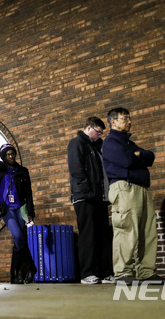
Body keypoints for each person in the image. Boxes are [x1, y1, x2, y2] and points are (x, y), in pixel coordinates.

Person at [102, 108, 162, 284]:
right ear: (113, 122)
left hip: (141, 188)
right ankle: (122, 273)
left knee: (147, 231)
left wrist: (140, 154)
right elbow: (127, 161)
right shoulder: (110, 142)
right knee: (127, 230)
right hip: (125, 188)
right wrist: (138, 157)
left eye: (129, 118)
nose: (129, 121)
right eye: (125, 118)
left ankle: (146, 271)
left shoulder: (130, 144)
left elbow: (150, 157)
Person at [67, 117, 114, 285]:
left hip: (99, 198)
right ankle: (87, 273)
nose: (99, 136)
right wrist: (87, 190)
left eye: (102, 133)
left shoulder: (98, 147)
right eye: (98, 132)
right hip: (84, 197)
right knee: (88, 236)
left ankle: (104, 272)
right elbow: (76, 169)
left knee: (102, 235)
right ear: (88, 128)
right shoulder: (77, 143)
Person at [0, 144, 36, 284]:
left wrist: (30, 212)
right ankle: (31, 267)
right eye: (8, 154)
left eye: (12, 154)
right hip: (6, 208)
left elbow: (28, 193)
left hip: (21, 208)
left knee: (20, 240)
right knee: (17, 235)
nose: (11, 157)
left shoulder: (22, 171)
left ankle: (14, 275)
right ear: (3, 156)